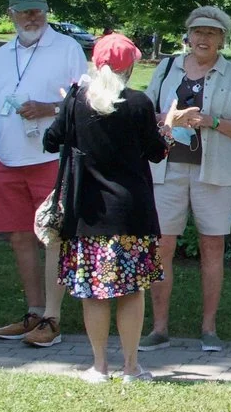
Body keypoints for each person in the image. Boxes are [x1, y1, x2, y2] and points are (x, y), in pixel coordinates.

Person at [41, 34, 169, 382]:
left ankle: (99, 366)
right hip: (131, 211)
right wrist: (168, 128)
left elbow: (50, 141)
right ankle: (131, 367)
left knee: (93, 293)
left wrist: (64, 107)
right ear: (130, 67)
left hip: (87, 212)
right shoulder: (139, 103)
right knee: (131, 291)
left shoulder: (76, 100)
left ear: (95, 64)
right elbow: (157, 152)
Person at [144, 5, 231, 352]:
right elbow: (142, 115)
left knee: (212, 246)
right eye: (198, 32)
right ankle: (159, 327)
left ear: (222, 39)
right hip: (166, 170)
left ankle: (209, 328)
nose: (203, 39)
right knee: (162, 246)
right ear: (188, 36)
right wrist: (170, 119)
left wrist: (210, 122)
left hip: (215, 173)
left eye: (211, 33)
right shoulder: (167, 68)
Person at [0, 0, 89, 347]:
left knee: (53, 237)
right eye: (25, 11)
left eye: (38, 10)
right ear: (11, 13)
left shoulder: (67, 48)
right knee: (18, 237)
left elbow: (85, 101)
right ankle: (32, 310)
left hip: (50, 157)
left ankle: (52, 319)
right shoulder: (1, 54)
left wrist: (48, 109)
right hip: (7, 157)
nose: (32, 17)